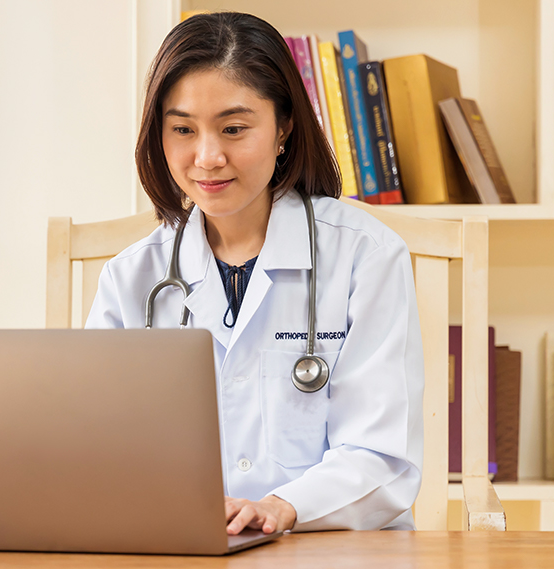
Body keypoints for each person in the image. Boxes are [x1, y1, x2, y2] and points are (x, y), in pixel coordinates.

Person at [85, 12, 424, 533]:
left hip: (331, 550)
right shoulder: (132, 279)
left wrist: (282, 507)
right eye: (182, 129)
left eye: (234, 129)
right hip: (181, 548)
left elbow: (381, 456)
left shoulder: (367, 256)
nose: (207, 157)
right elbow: (96, 448)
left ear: (283, 126)